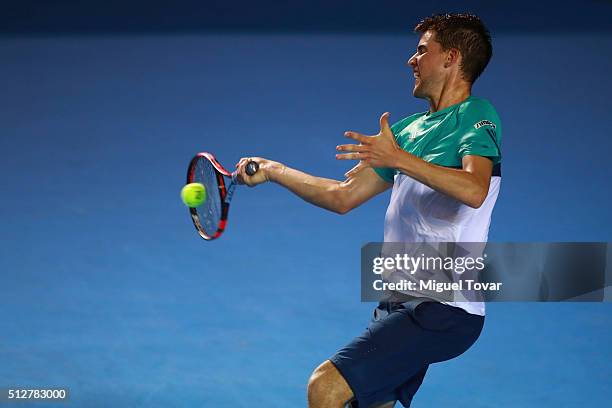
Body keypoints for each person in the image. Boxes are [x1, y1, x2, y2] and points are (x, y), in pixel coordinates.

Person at [236, 13, 502, 408]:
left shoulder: (477, 116)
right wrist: (275, 171)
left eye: (421, 51)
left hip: (445, 307)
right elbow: (343, 197)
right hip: (398, 300)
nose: (411, 60)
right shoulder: (409, 130)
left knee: (325, 386)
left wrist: (400, 159)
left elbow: (474, 190)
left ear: (451, 58)